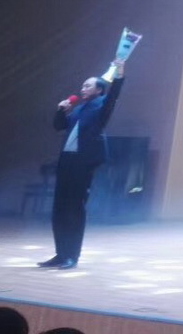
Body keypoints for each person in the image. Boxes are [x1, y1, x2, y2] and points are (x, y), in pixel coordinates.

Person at [39, 59, 125, 270]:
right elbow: (59, 126)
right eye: (83, 85)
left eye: (88, 86)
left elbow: (114, 94)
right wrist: (61, 110)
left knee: (74, 209)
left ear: (99, 90)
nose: (83, 88)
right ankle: (60, 253)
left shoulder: (102, 104)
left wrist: (120, 73)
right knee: (59, 209)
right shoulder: (78, 109)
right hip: (66, 162)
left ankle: (72, 255)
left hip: (83, 162)